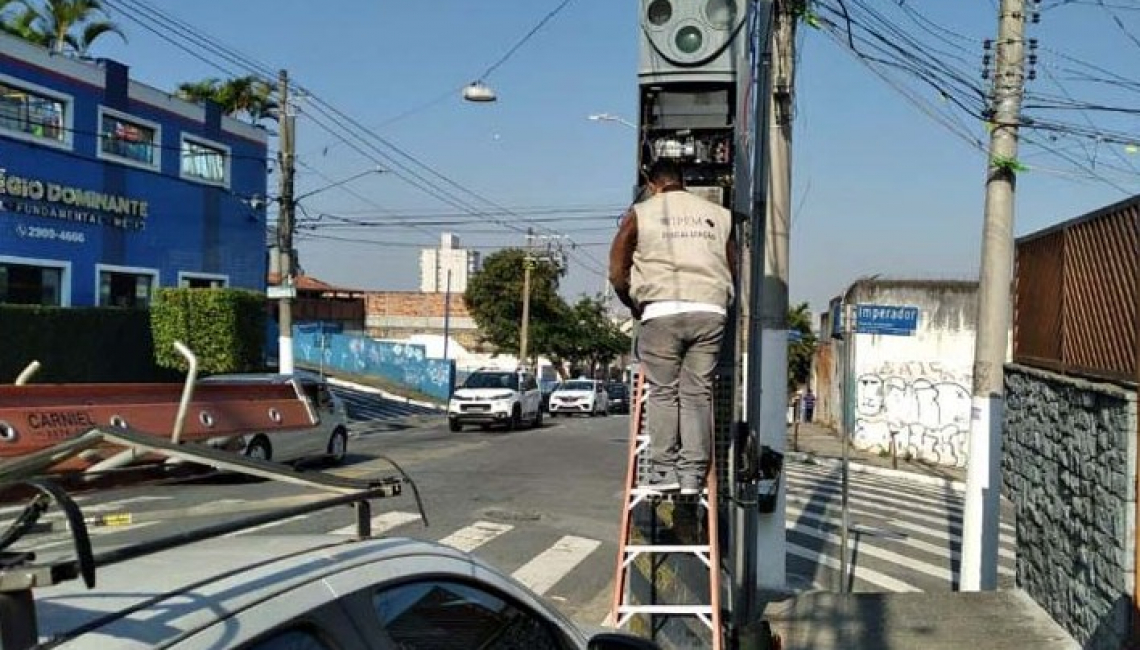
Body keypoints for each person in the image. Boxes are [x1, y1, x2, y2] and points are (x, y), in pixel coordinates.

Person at [608, 158, 737, 496]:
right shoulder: (717, 215)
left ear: (653, 184)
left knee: (664, 391)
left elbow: (617, 266)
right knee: (697, 394)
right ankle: (693, 476)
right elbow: (731, 264)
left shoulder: (643, 212)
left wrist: (630, 300)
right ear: (683, 182)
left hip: (661, 310)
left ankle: (663, 469)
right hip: (711, 310)